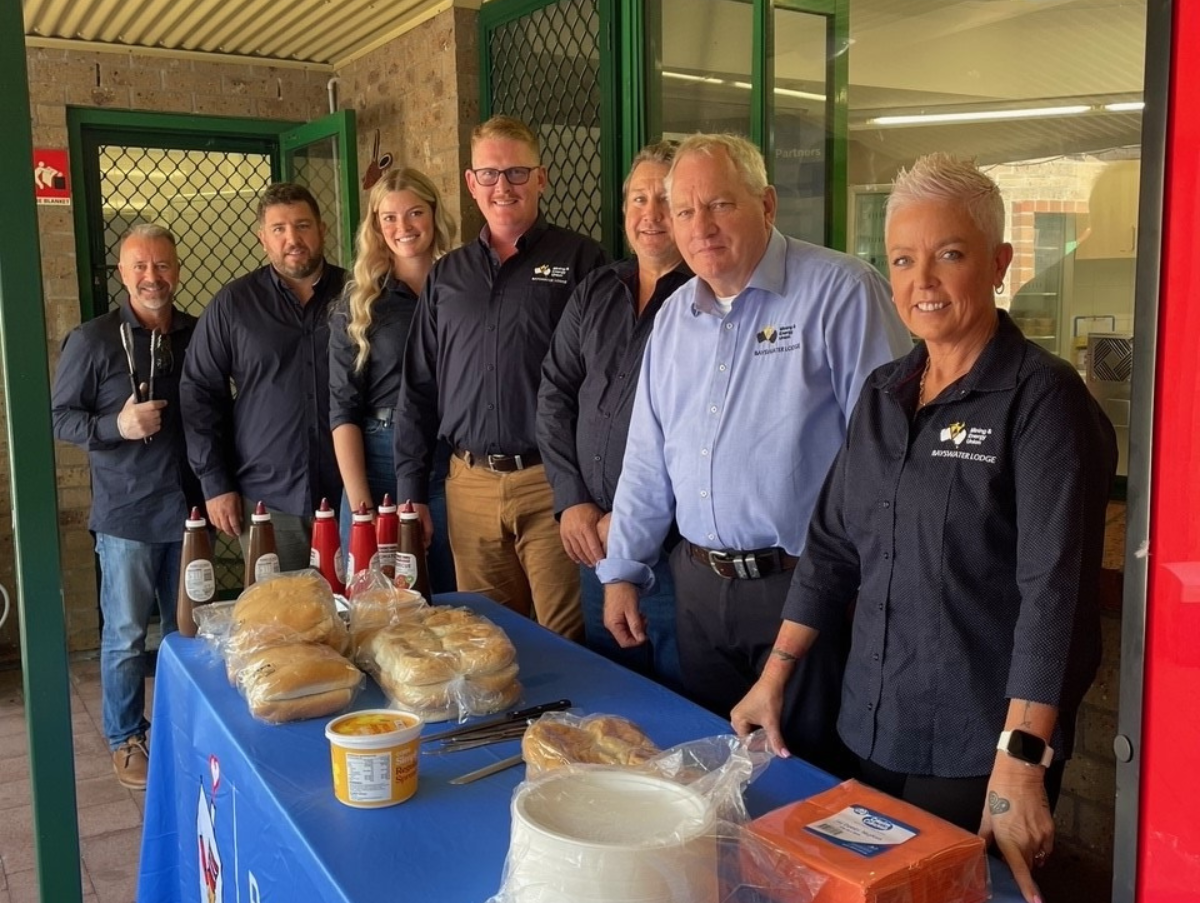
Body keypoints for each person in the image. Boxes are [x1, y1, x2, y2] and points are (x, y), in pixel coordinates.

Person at [730, 153, 1117, 903]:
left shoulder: (1044, 401)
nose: (922, 281)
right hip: (871, 722)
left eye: (950, 255)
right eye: (903, 259)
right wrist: (772, 679)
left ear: (1000, 262)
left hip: (979, 748)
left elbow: (1055, 596)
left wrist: (1021, 759)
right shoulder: (884, 392)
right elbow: (834, 548)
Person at [597, 133, 911, 773]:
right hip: (699, 591)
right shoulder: (674, 317)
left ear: (766, 204)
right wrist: (623, 568)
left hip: (803, 592)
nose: (699, 227)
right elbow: (647, 457)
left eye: (719, 205)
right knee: (716, 776)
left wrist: (866, 588)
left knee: (805, 780)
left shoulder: (841, 291)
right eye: (684, 211)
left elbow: (886, 460)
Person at [394, 115, 608, 640]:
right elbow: (418, 387)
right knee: (487, 640)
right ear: (471, 183)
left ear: (541, 178)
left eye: (516, 172)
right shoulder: (449, 275)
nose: (502, 187)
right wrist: (411, 491)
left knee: (567, 643)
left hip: (552, 484)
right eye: (489, 174)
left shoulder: (583, 262)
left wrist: (585, 491)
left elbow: (606, 386)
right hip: (469, 486)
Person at [51, 224, 201, 788]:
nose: (152, 277)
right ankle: (125, 738)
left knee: (189, 633)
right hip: (127, 515)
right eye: (140, 266)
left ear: (177, 270)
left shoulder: (196, 333)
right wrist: (116, 424)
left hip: (189, 512)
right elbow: (60, 416)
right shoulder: (92, 341)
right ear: (122, 273)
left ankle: (181, 726)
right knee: (125, 636)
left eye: (162, 265)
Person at [537, 140, 689, 689]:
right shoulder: (597, 289)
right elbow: (554, 390)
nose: (651, 214)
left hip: (674, 557)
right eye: (639, 198)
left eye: (667, 199)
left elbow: (698, 437)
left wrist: (625, 522)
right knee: (616, 696)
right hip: (593, 541)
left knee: (681, 704)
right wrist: (570, 500)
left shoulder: (708, 300)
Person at [181, 183, 347, 570]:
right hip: (268, 500)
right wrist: (215, 483)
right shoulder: (233, 304)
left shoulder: (357, 292)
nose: (293, 239)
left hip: (351, 495)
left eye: (303, 225)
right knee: (276, 623)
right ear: (262, 238)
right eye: (279, 229)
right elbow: (199, 393)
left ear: (322, 229)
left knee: (357, 618)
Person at [329, 167, 457, 591]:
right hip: (383, 455)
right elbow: (342, 407)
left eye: (414, 213)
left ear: (434, 215)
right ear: (375, 226)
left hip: (456, 460)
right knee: (378, 603)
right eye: (388, 217)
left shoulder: (463, 285)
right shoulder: (362, 301)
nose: (402, 227)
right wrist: (361, 501)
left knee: (452, 597)